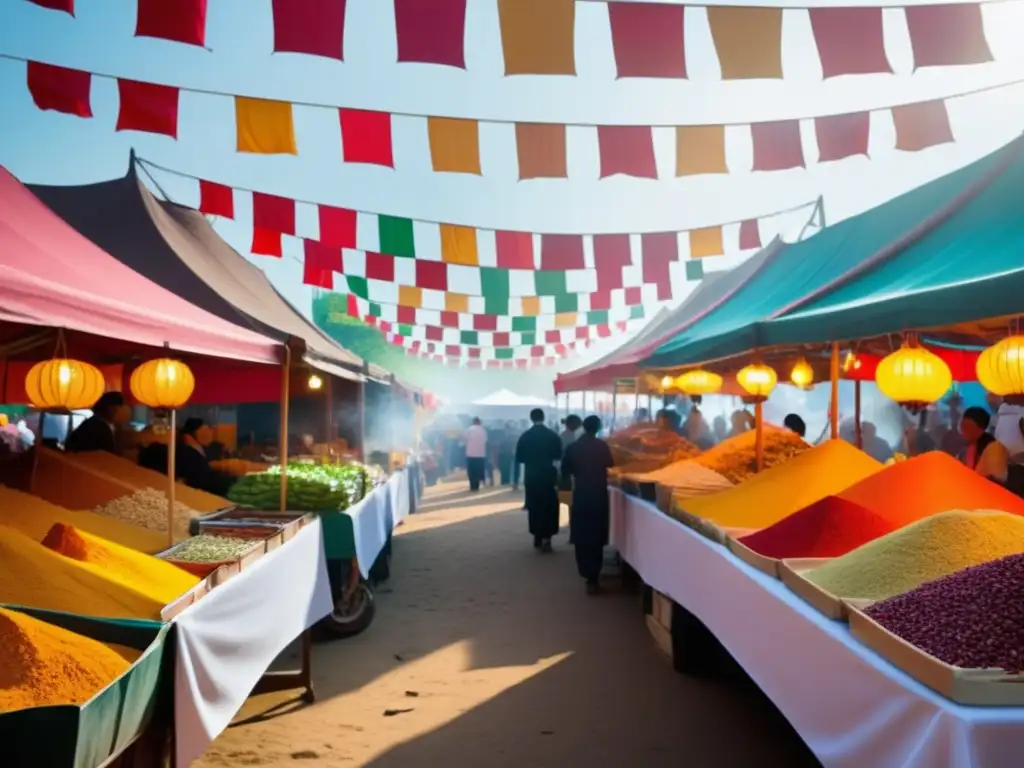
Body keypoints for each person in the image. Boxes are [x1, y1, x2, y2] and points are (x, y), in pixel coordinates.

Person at [562, 415, 614, 594]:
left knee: (582, 534)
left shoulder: (573, 447)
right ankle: (594, 576)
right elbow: (610, 463)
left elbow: (565, 469)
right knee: (596, 534)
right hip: (598, 494)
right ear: (598, 428)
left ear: (584, 427)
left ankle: (586, 573)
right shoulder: (602, 446)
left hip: (581, 494)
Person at [515, 408, 562, 552]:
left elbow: (519, 458)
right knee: (549, 506)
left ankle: (537, 536)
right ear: (544, 417)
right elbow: (558, 455)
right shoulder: (552, 435)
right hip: (548, 475)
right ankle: (548, 537)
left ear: (531, 419)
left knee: (535, 506)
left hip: (531, 475)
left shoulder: (525, 436)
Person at [176, 418, 235, 496]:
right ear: (190, 436)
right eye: (204, 431)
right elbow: (202, 477)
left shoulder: (205, 449)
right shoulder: (188, 454)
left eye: (209, 430)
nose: (209, 434)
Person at [960, 407, 1009, 482]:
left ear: (979, 428)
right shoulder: (967, 449)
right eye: (962, 427)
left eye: (967, 427)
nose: (962, 432)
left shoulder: (994, 449)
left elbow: (997, 479)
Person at [465, 417, 487, 492]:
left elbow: (465, 439)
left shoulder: (469, 429)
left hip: (471, 454)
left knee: (471, 471)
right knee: (479, 470)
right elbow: (485, 440)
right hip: (481, 454)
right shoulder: (483, 430)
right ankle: (477, 485)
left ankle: (472, 486)